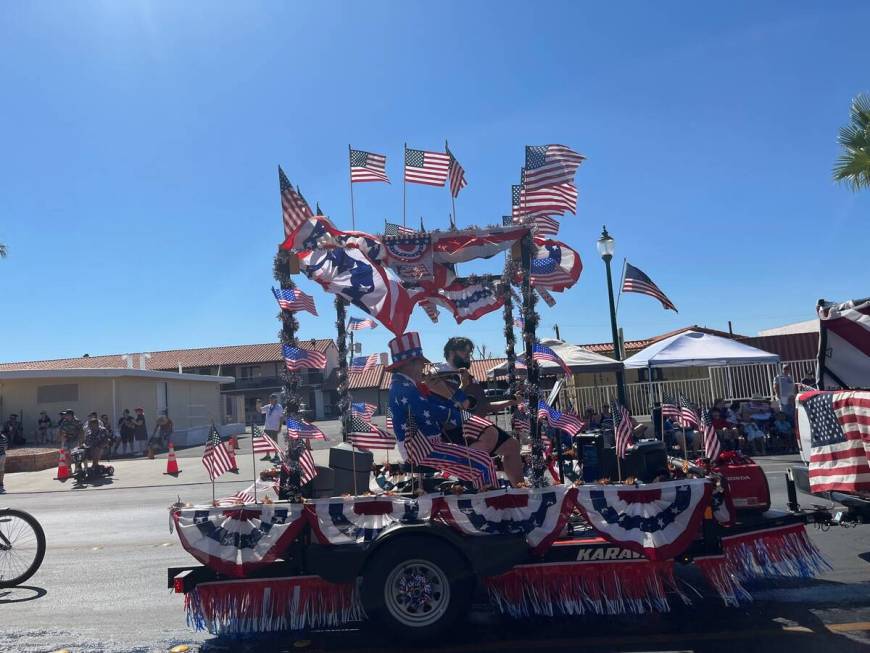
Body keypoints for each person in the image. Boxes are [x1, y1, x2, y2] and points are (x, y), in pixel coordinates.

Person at [387, 332, 523, 486]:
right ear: (409, 364)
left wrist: (510, 402)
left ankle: (502, 494)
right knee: (482, 459)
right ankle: (487, 501)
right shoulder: (408, 385)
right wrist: (460, 412)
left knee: (508, 446)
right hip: (425, 446)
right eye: (464, 351)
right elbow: (436, 409)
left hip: (432, 442)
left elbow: (475, 405)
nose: (423, 367)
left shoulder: (408, 385)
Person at [434, 337, 519, 417]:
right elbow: (453, 404)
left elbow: (484, 406)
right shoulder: (437, 373)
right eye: (464, 351)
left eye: (469, 352)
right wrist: (463, 385)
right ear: (451, 352)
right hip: (453, 429)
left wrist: (511, 402)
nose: (468, 355)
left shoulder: (471, 378)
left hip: (475, 427)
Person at [257, 395, 284, 461]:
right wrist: (258, 404)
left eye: (272, 399)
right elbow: (260, 410)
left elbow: (281, 417)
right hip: (267, 427)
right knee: (267, 442)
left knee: (274, 442)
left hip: (275, 427)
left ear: (275, 399)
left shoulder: (279, 407)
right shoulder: (268, 406)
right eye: (270, 399)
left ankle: (276, 455)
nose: (270, 400)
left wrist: (280, 427)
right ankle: (268, 455)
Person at [0, 427, 7, 493]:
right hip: (3, 455)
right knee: (1, 470)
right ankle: (1, 484)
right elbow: (5, 447)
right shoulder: (4, 437)